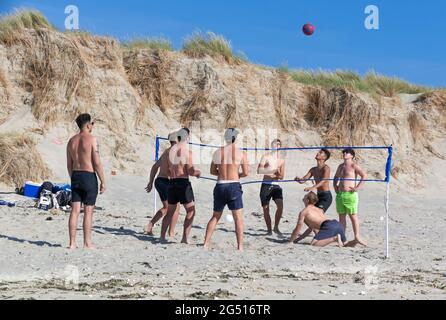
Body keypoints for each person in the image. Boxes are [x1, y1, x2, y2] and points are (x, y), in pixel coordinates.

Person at [204, 128, 249, 251]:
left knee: (215, 216)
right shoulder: (241, 153)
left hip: (220, 185)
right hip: (233, 185)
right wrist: (235, 174)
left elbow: (213, 171)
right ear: (235, 138)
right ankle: (240, 247)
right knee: (238, 218)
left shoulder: (218, 152)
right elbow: (246, 172)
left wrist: (222, 173)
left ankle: (206, 243)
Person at [66, 113, 106, 249]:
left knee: (75, 210)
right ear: (88, 125)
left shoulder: (71, 141)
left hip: (75, 176)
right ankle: (87, 243)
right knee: (88, 211)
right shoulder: (92, 139)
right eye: (92, 124)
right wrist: (103, 181)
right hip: (88, 176)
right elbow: (97, 163)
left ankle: (72, 243)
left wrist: (73, 177)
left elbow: (69, 164)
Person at [160, 128, 201, 244]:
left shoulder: (169, 151)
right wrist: (197, 173)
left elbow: (165, 171)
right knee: (191, 211)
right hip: (183, 183)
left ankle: (162, 236)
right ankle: (184, 239)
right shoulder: (187, 151)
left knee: (170, 212)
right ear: (187, 138)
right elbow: (190, 170)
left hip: (171, 182)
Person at [144, 132, 180, 236]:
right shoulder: (174, 152)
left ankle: (150, 226)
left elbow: (155, 167)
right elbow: (170, 170)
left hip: (159, 180)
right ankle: (171, 232)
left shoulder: (166, 152)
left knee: (167, 207)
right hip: (166, 182)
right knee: (173, 208)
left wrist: (151, 182)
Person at [333, 148, 368, 246]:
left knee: (353, 216)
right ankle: (342, 239)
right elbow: (335, 177)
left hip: (350, 195)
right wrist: (335, 186)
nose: (344, 153)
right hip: (340, 195)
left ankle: (357, 237)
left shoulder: (353, 165)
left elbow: (364, 176)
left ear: (352, 155)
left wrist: (357, 188)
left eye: (347, 152)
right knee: (341, 217)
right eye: (344, 152)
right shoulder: (340, 166)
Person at [257, 139, 285, 235]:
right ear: (272, 146)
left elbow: (282, 176)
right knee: (266, 208)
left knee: (280, 207)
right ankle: (269, 230)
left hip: (276, 186)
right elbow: (259, 170)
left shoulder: (281, 160)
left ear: (280, 147)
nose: (276, 146)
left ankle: (276, 227)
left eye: (278, 145)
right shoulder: (265, 157)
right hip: (266, 185)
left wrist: (277, 175)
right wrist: (271, 173)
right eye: (275, 144)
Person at [295, 149, 332, 213]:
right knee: (312, 214)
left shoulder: (326, 168)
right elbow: (303, 180)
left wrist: (312, 187)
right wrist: (298, 180)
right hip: (318, 196)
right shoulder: (313, 169)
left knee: (318, 214)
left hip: (326, 196)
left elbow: (324, 180)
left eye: (320, 152)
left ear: (324, 157)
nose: (318, 153)